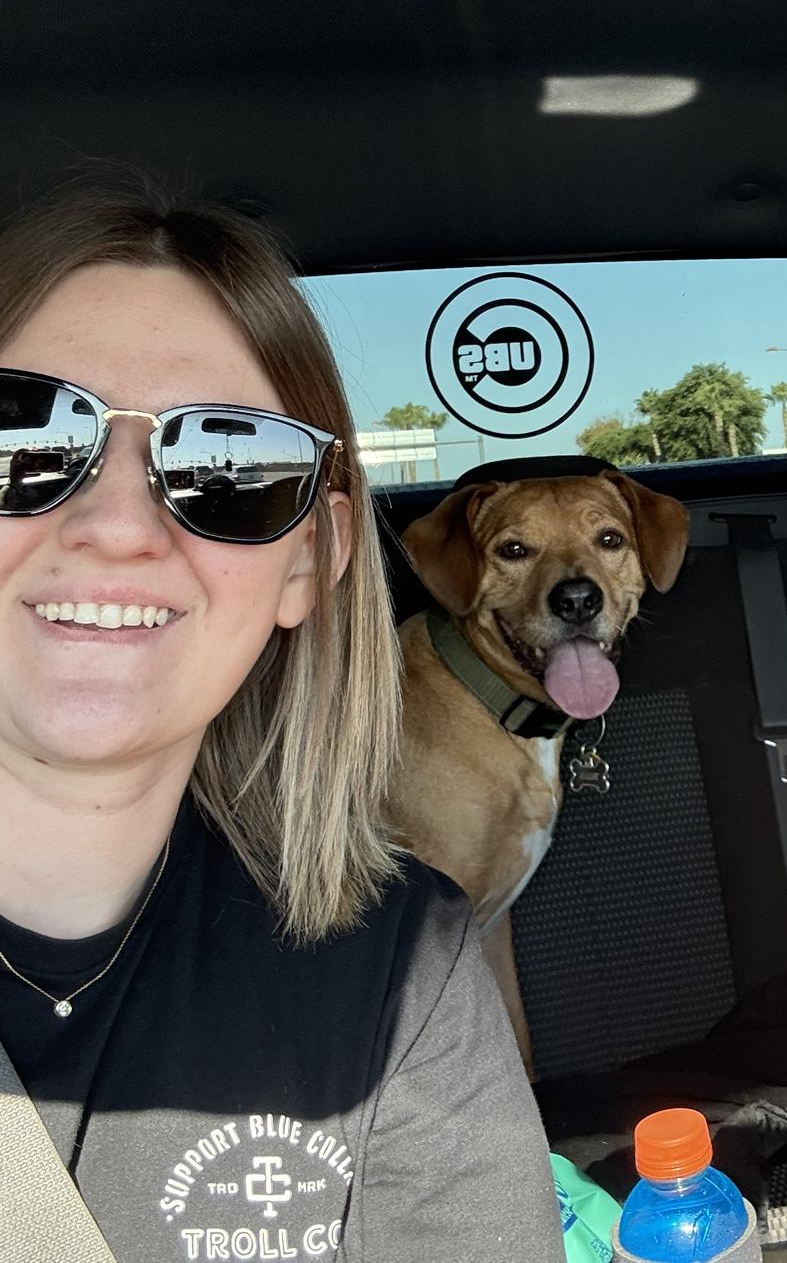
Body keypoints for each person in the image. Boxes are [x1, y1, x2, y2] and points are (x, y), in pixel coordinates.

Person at [0, 182, 566, 1261]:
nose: (118, 527)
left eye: (229, 468)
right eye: (19, 432)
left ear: (313, 559)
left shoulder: (402, 969)